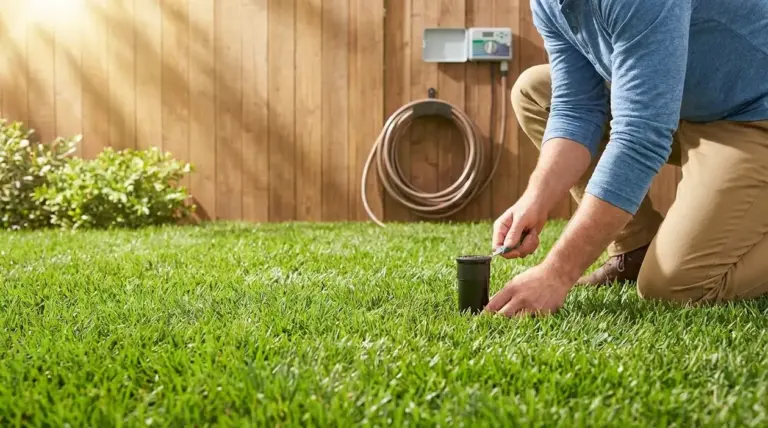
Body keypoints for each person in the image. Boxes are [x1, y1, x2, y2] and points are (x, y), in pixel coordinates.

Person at [486, 0, 768, 317]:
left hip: (752, 115)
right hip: (685, 106)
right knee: (534, 91)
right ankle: (635, 249)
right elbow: (575, 108)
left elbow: (640, 136)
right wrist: (535, 199)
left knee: (675, 288)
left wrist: (557, 273)